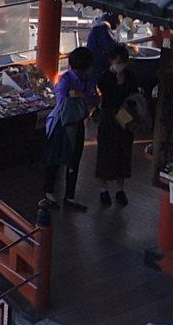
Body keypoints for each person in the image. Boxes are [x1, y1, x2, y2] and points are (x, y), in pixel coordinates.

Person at [42, 46, 96, 211]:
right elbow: (62, 102)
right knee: (55, 158)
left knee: (75, 158)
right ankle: (49, 191)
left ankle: (69, 196)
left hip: (76, 122)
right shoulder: (65, 80)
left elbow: (94, 100)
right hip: (62, 123)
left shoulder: (85, 79)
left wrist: (79, 95)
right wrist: (83, 98)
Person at [94, 44, 142, 207]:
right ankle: (103, 190)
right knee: (105, 152)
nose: (121, 64)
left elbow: (134, 95)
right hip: (108, 117)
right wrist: (119, 84)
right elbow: (108, 97)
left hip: (125, 118)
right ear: (111, 60)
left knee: (123, 152)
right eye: (118, 61)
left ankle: (120, 189)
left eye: (124, 61)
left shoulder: (131, 76)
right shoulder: (103, 77)